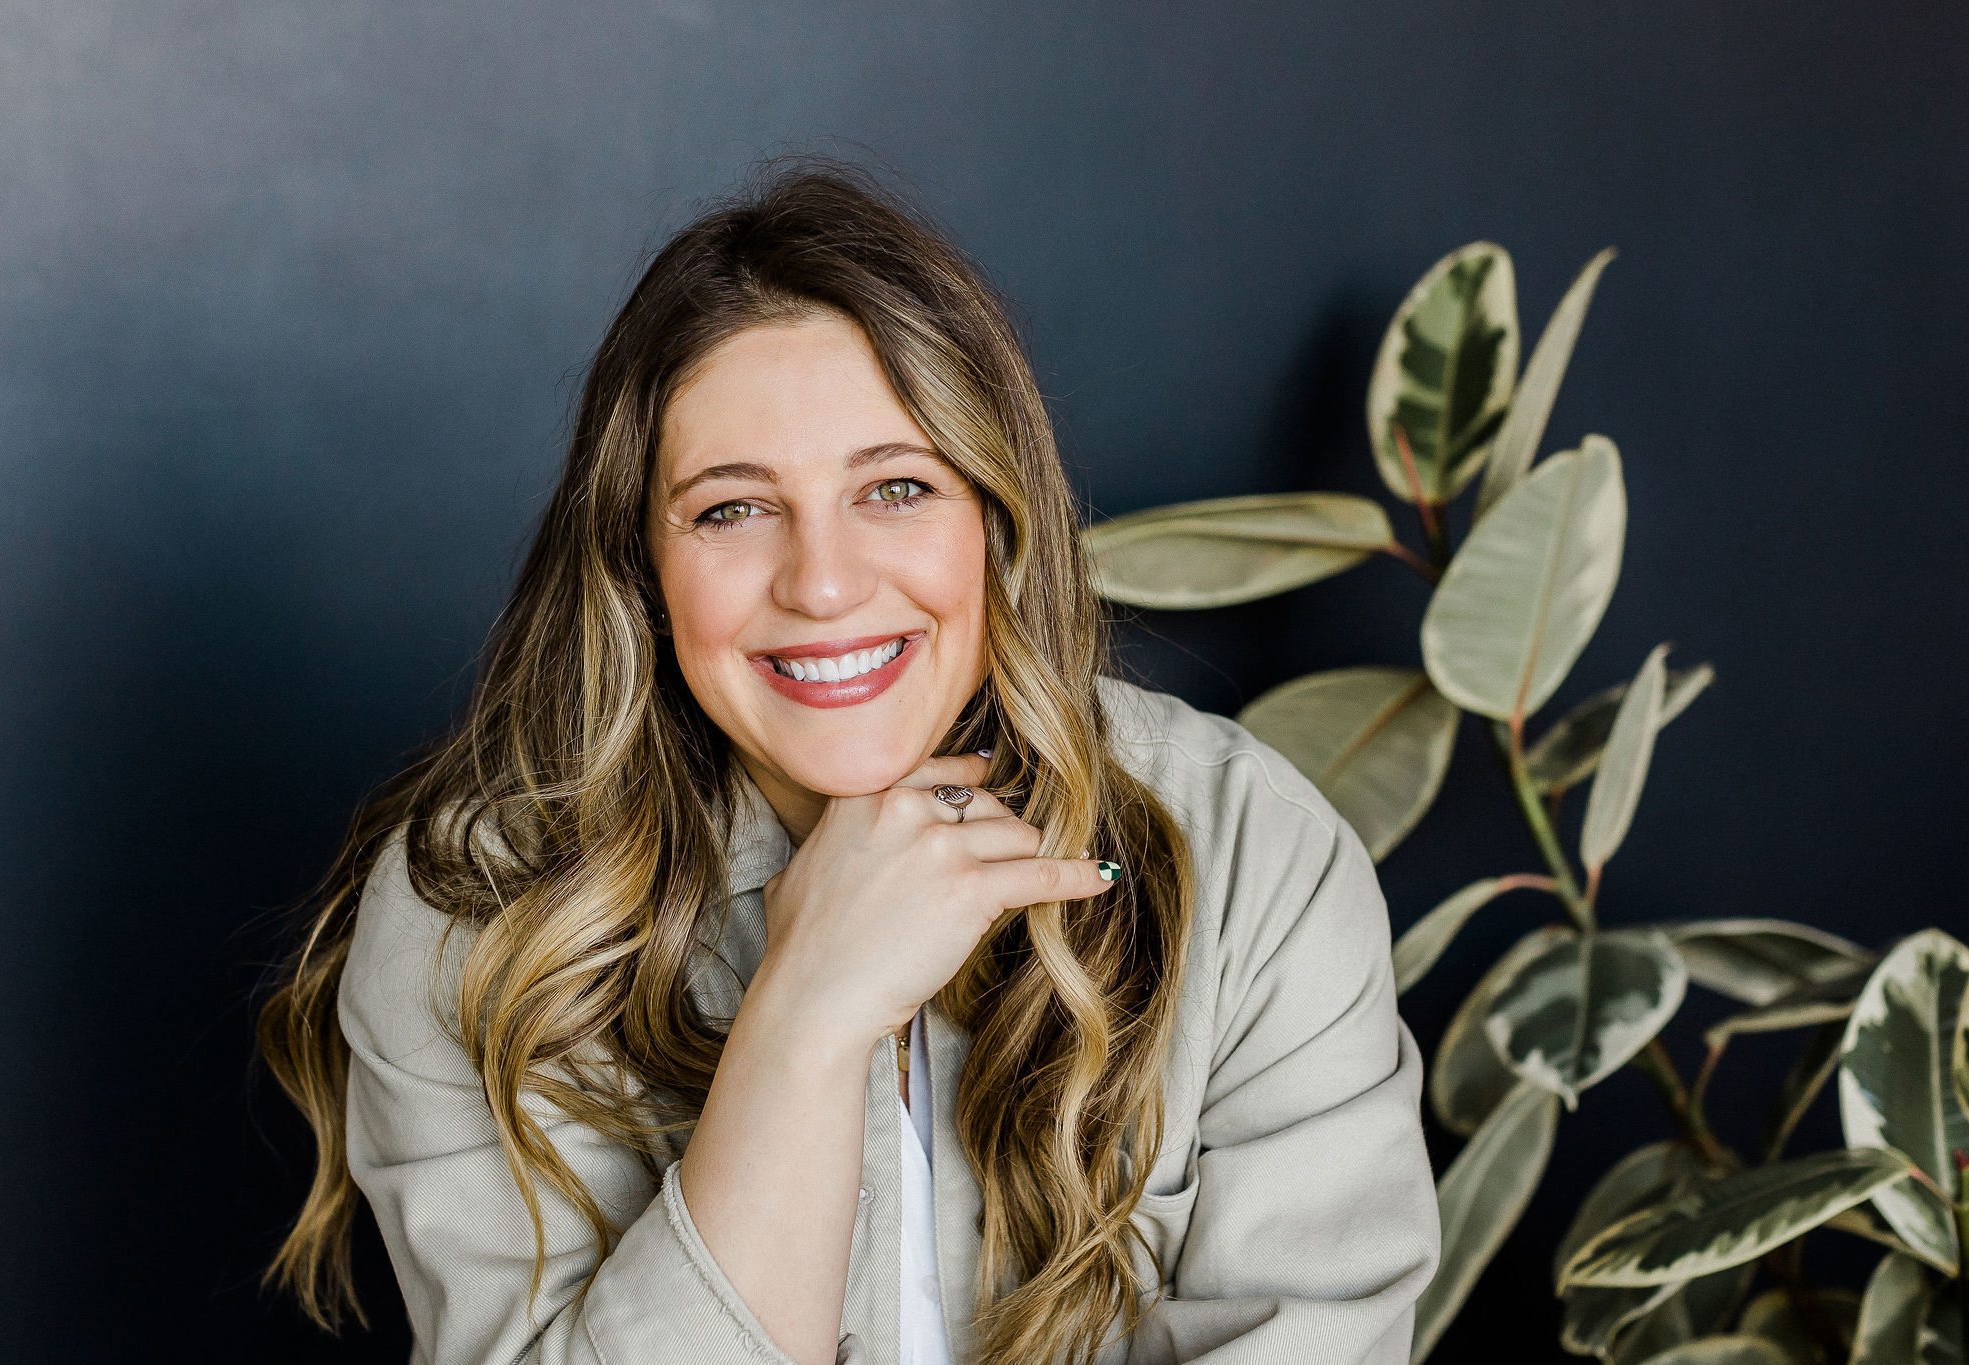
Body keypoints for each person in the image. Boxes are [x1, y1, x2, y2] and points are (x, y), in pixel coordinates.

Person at [257, 160, 1439, 1365]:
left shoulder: (1246, 853)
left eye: (894, 488)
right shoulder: (478, 919)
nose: (821, 582)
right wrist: (805, 1015)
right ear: (642, 571)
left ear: (995, 517)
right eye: (731, 509)